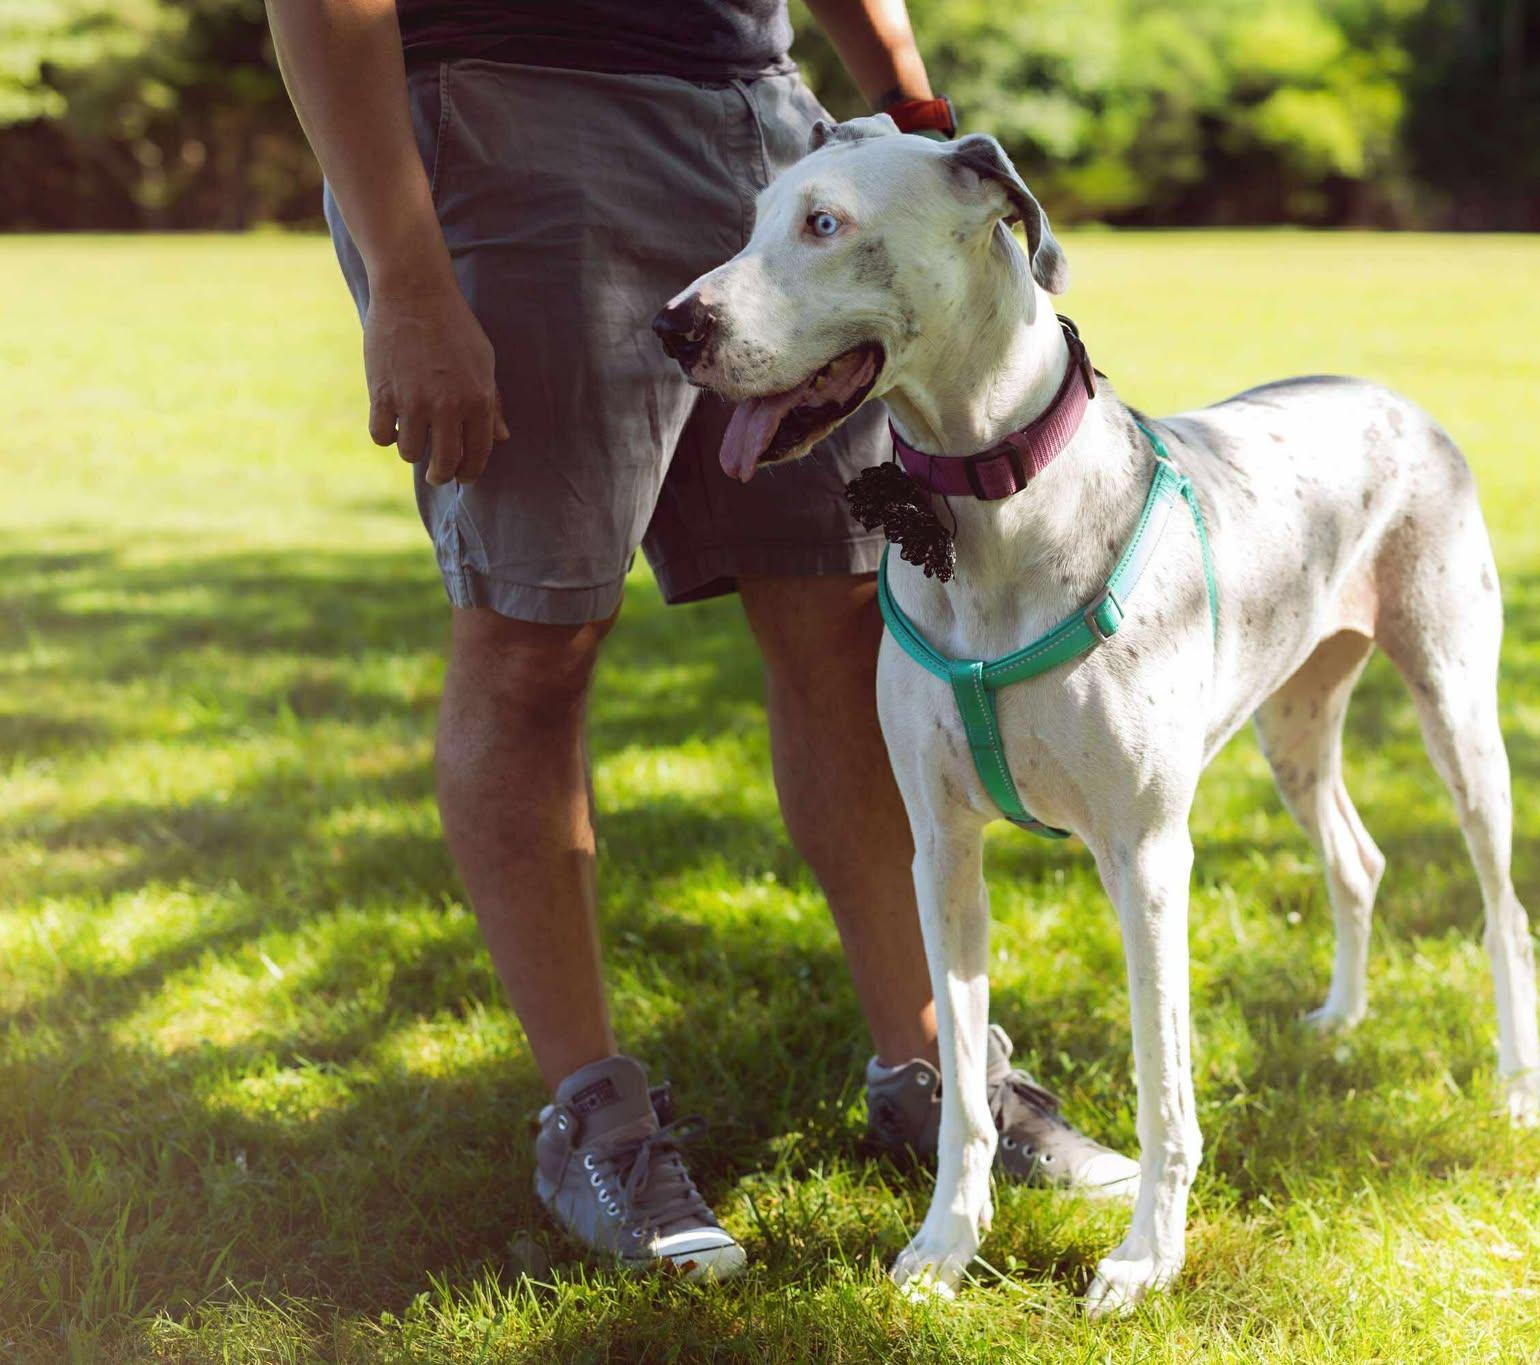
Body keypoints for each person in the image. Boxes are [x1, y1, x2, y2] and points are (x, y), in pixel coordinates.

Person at [264, 0, 1137, 1278]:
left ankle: (934, 1074)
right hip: (510, 112)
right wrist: (406, 280)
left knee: (844, 612)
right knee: (531, 633)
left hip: (763, 120)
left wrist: (900, 93)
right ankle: (593, 1120)